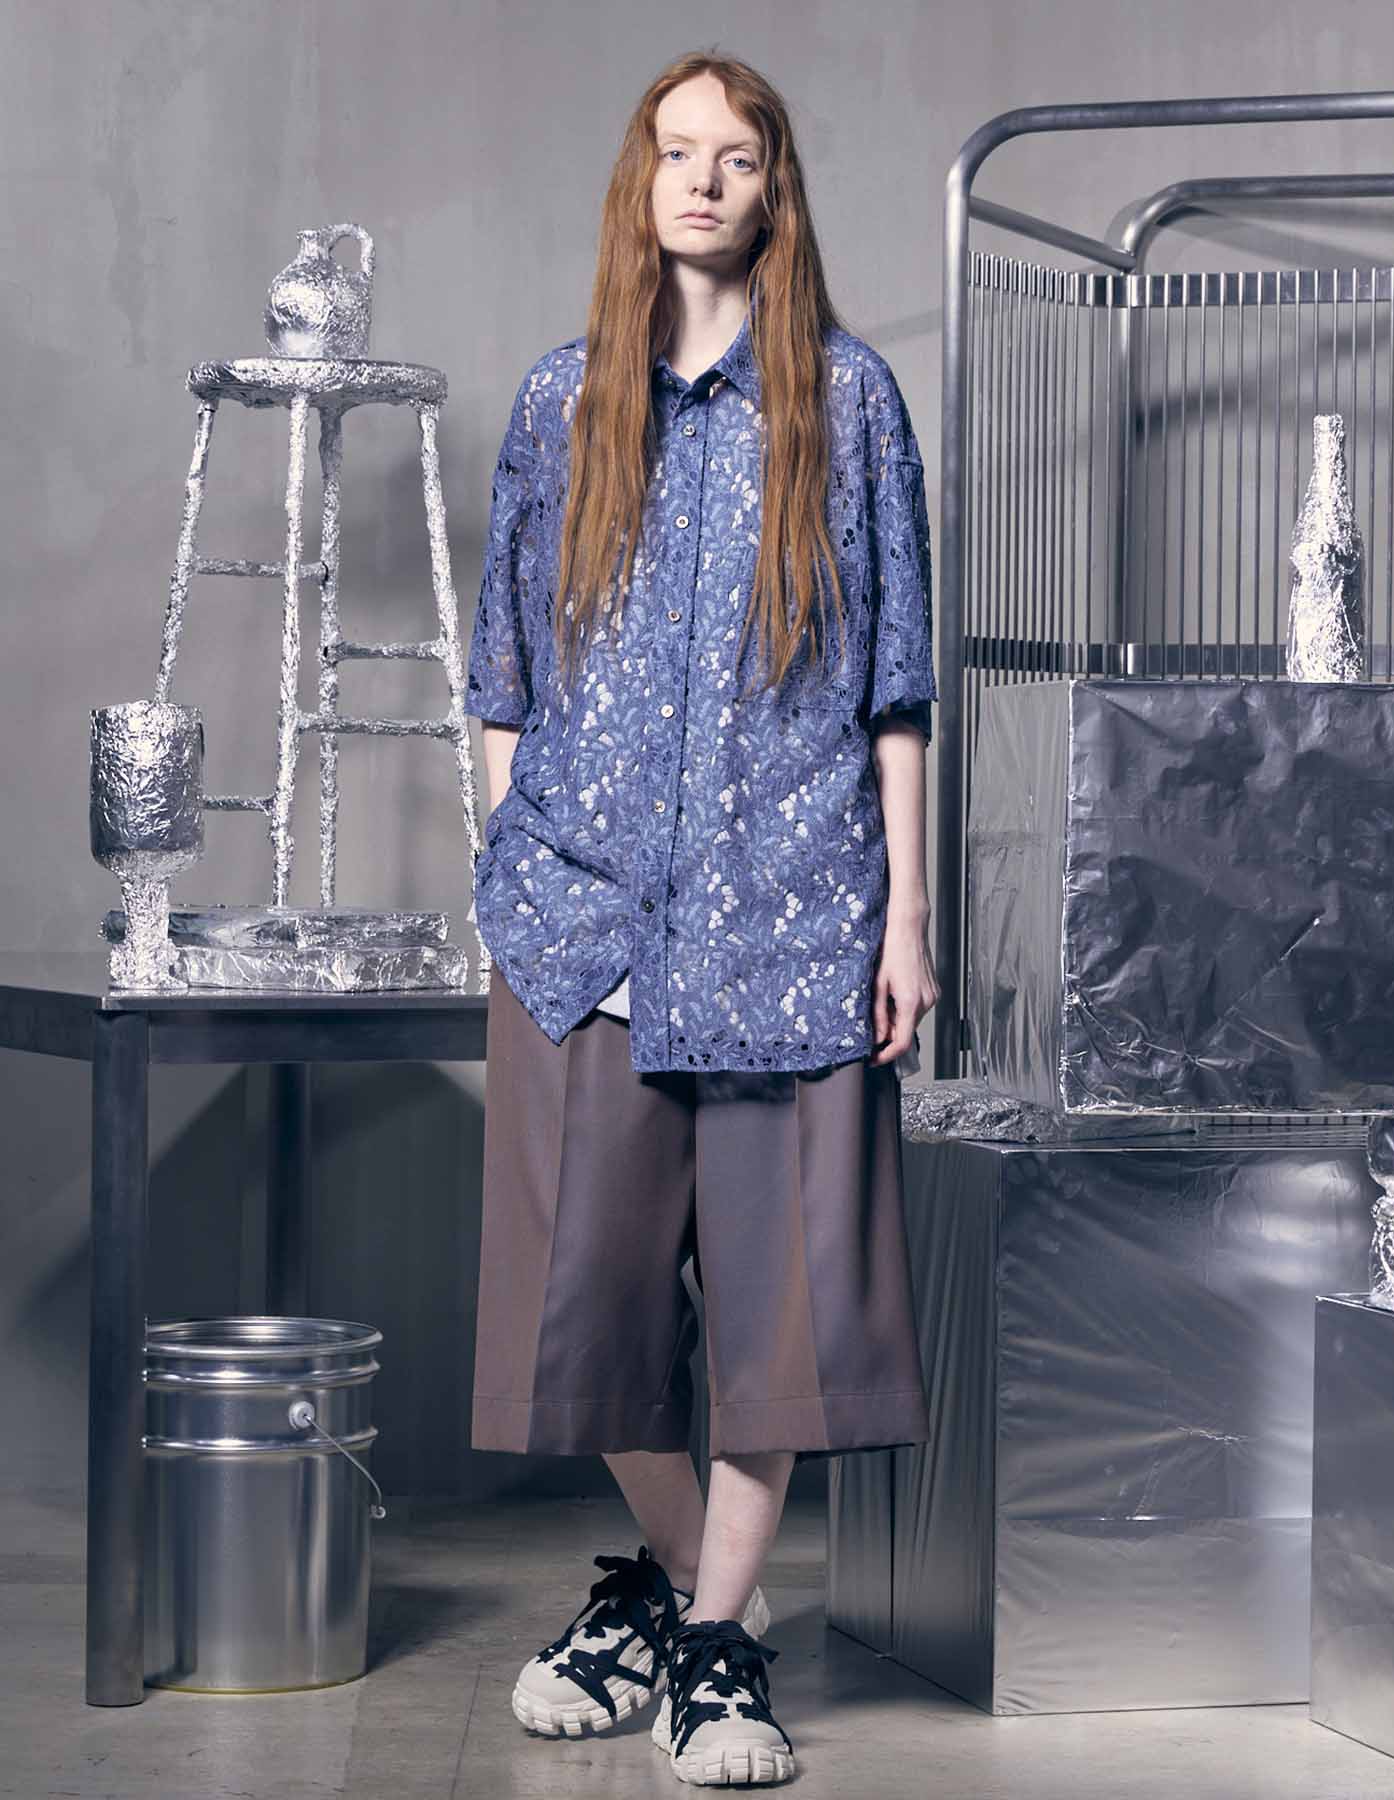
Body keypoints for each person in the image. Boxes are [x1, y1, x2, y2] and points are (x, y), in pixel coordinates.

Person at [465, 46, 939, 1789]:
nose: (703, 181)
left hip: (795, 927)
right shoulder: (561, 402)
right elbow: (502, 671)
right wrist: (513, 870)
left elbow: (897, 690)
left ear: (772, 188)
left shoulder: (852, 404)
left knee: (779, 1327)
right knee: (579, 1315)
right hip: (585, 933)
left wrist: (906, 921)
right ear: (640, 179)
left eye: (735, 157)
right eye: (677, 152)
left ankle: (717, 1650)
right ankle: (676, 1599)